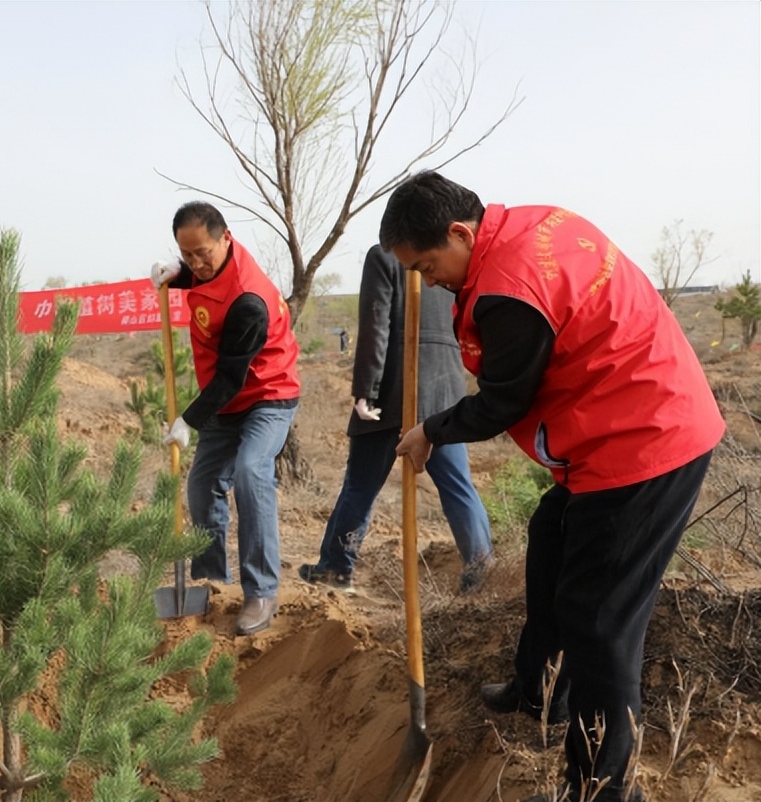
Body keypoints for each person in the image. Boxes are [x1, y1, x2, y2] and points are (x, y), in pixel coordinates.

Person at [383, 171, 723, 802]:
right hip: (617, 423)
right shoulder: (529, 226)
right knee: (550, 535)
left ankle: (601, 785)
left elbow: (504, 403)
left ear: (460, 232)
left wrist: (430, 429)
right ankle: (539, 688)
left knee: (599, 620)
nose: (429, 281)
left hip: (644, 440)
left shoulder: (508, 290)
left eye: (429, 266)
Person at [299, 244, 493, 596]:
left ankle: (335, 569)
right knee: (458, 486)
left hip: (393, 391)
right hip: (444, 391)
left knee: (360, 484)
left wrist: (366, 391)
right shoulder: (450, 258)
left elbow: (376, 325)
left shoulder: (384, 256)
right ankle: (482, 572)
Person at [150, 201, 300, 636]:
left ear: (227, 239)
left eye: (204, 254)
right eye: (187, 254)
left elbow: (232, 376)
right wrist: (179, 276)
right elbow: (198, 274)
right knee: (201, 485)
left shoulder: (248, 300)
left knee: (252, 470)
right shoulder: (202, 265)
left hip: (267, 394)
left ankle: (262, 591)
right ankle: (212, 580)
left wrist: (187, 420)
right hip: (225, 400)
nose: (197, 263)